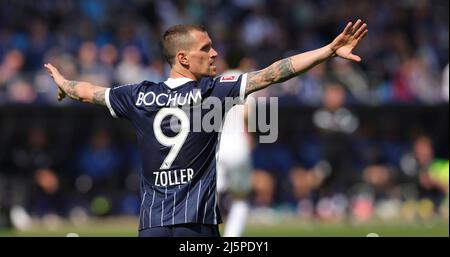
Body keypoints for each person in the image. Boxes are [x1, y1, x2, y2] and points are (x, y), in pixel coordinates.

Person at [44, 20, 368, 237]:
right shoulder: (213, 90)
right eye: (206, 49)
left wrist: (63, 84)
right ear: (183, 58)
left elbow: (88, 92)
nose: (214, 54)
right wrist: (328, 51)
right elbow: (273, 74)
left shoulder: (136, 94)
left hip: (151, 226)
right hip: (195, 226)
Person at [216, 48, 255, 237]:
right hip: (238, 145)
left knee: (210, 197)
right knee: (240, 197)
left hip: (216, 147)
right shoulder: (247, 81)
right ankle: (232, 238)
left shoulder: (217, 80)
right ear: (244, 61)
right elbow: (247, 114)